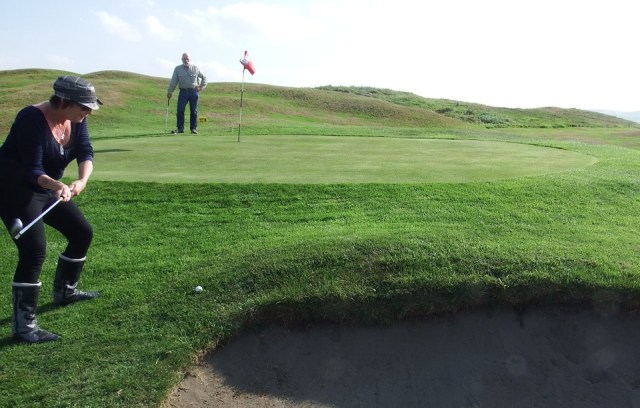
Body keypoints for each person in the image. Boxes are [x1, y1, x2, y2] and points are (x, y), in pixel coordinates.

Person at [0, 76, 102, 343]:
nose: (88, 113)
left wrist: (82, 180)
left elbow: (85, 151)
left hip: (47, 187)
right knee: (34, 250)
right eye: (85, 107)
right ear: (65, 102)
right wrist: (57, 185)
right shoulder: (30, 118)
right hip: (15, 188)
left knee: (81, 233)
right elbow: (33, 169)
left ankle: (65, 292)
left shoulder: (77, 120)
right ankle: (24, 327)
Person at [166, 52, 207, 134]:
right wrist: (170, 91)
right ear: (182, 59)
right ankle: (180, 128)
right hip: (183, 92)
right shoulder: (177, 69)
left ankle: (193, 129)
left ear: (190, 59)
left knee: (194, 111)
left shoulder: (195, 68)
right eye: (184, 58)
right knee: (180, 110)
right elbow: (173, 81)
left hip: (193, 92)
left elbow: (204, 78)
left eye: (187, 58)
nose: (186, 60)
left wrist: (201, 87)